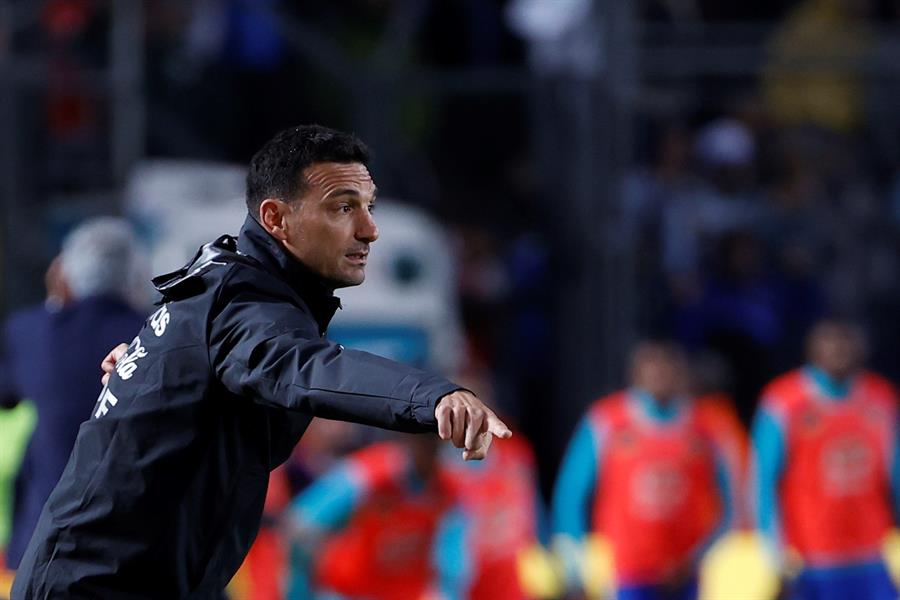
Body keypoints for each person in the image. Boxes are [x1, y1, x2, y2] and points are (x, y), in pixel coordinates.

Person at [12, 124, 510, 599]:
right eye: (343, 208)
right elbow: (308, 368)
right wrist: (434, 395)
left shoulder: (223, 290)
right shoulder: (244, 301)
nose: (369, 230)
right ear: (275, 219)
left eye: (369, 207)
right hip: (100, 587)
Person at [1, 218, 147, 572]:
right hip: (135, 542)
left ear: (63, 274)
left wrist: (55, 301)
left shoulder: (30, 333)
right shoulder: (155, 332)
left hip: (46, 544)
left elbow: (7, 395)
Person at [552, 341, 734, 600]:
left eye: (667, 367)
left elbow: (729, 502)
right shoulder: (606, 421)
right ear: (635, 374)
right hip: (625, 573)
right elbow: (570, 494)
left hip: (685, 574)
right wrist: (575, 570)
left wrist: (698, 556)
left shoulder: (705, 428)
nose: (660, 374)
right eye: (651, 367)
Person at [750, 320, 900, 600]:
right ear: (812, 350)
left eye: (845, 343)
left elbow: (895, 470)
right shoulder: (784, 401)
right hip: (811, 560)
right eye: (829, 344)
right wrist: (775, 556)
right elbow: (762, 480)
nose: (838, 351)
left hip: (871, 554)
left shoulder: (881, 398)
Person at [285, 435, 470, 600]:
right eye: (427, 441)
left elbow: (453, 567)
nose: (432, 450)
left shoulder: (449, 491)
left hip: (403, 593)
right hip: (347, 591)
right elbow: (302, 520)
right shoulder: (368, 472)